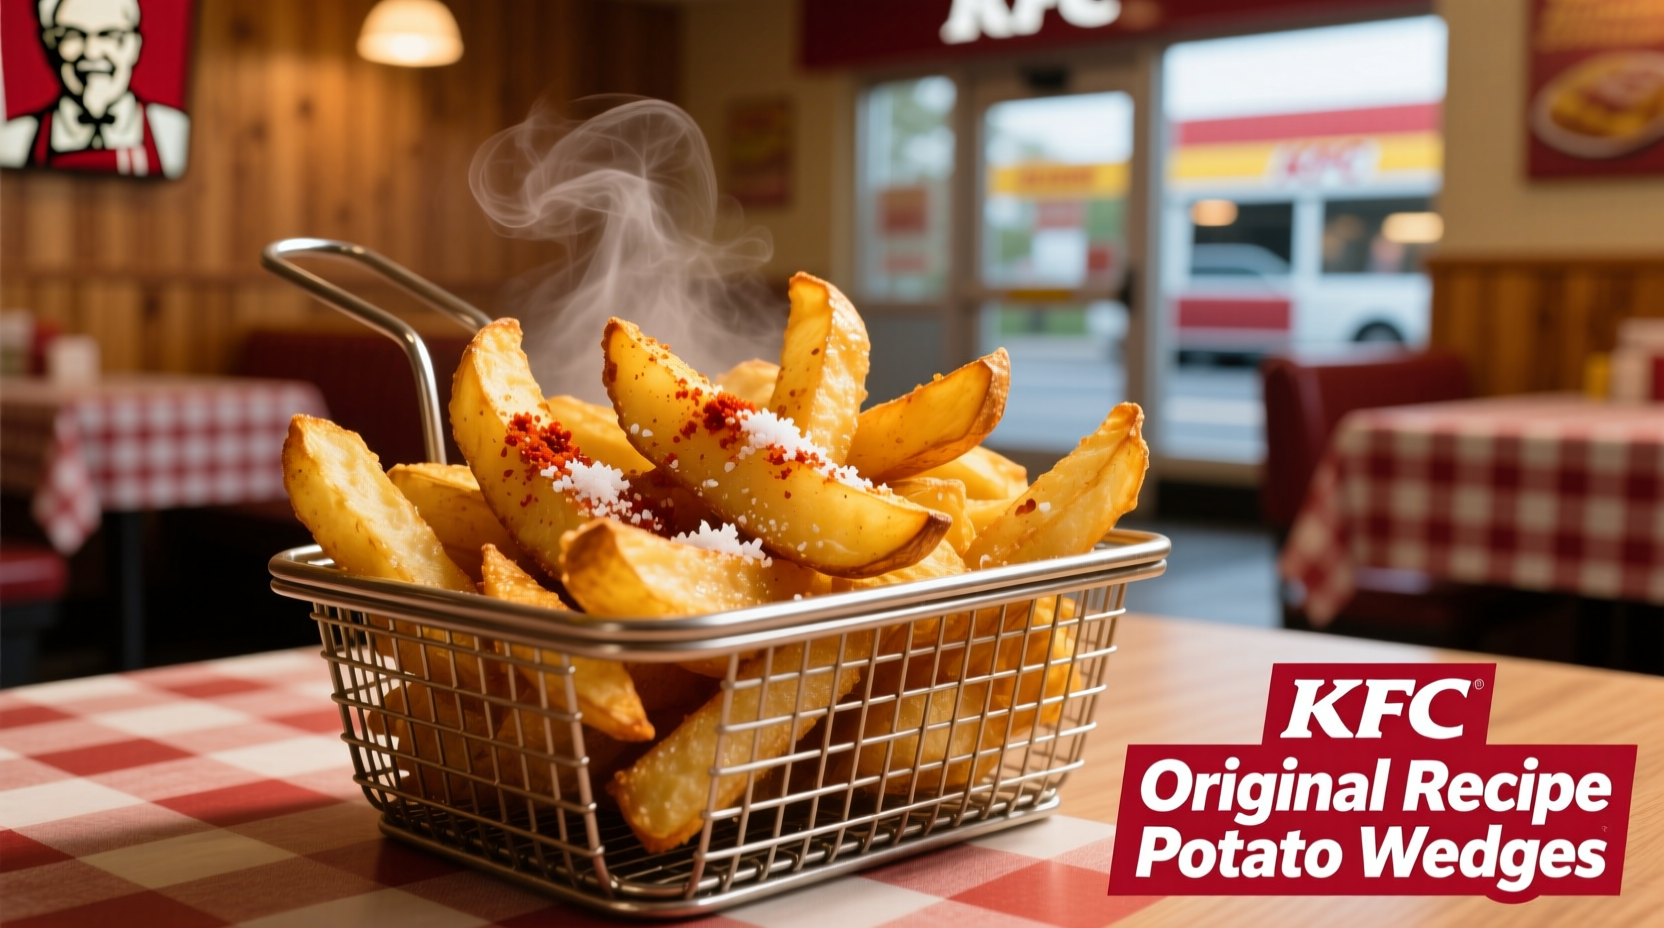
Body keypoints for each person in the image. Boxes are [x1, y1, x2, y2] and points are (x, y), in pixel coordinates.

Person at [0, 0, 188, 178]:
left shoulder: (173, 131)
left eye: (111, 36)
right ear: (48, 44)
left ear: (135, 46)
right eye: (72, 35)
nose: (92, 52)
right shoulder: (15, 138)